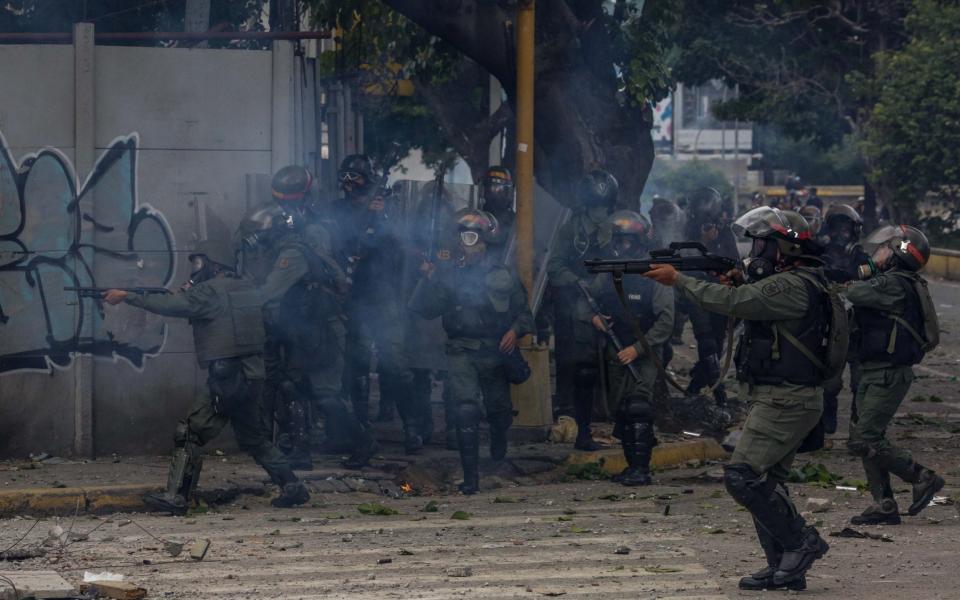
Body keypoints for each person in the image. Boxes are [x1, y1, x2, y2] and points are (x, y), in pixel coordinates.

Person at [644, 207, 832, 591]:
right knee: (765, 483)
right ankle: (784, 565)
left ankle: (800, 542)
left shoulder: (793, 285)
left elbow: (732, 303)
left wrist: (678, 280)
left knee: (741, 477)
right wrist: (741, 279)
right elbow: (751, 297)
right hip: (784, 398)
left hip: (786, 401)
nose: (756, 251)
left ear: (783, 249)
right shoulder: (797, 280)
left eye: (761, 244)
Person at [103, 239, 309, 514]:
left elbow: (172, 306)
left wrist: (128, 296)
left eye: (198, 263)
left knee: (189, 433)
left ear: (213, 264)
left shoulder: (209, 292)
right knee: (254, 439)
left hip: (228, 379)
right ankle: (292, 486)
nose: (195, 268)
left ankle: (176, 497)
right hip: (253, 376)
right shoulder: (245, 287)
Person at [250, 166, 379, 470]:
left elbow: (274, 287)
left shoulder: (311, 234)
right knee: (294, 386)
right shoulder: (300, 231)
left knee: (326, 394)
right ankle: (300, 449)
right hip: (302, 324)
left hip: (322, 324)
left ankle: (364, 443)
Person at [409, 210, 534, 494]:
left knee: (499, 411)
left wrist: (514, 331)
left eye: (471, 238)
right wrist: (427, 279)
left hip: (493, 351)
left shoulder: (503, 276)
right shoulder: (450, 275)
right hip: (460, 349)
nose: (465, 245)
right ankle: (471, 477)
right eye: (462, 238)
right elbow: (423, 309)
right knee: (465, 409)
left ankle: (499, 435)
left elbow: (525, 315)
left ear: (485, 242)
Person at [845, 224, 944, 525]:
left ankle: (921, 476)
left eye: (883, 248)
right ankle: (884, 503)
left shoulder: (895, 284)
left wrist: (859, 271)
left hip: (886, 375)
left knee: (864, 438)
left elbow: (853, 292)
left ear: (899, 253)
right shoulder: (897, 281)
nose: (877, 253)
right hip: (874, 370)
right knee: (866, 437)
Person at [332, 155, 422, 451]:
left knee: (395, 365)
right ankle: (359, 431)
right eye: (346, 178)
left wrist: (382, 219)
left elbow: (403, 247)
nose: (350, 184)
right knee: (355, 366)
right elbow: (334, 245)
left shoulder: (389, 210)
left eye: (356, 178)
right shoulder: (337, 212)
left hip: (383, 296)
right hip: (351, 296)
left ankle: (412, 427)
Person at [579, 210, 674, 482]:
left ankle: (641, 469)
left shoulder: (654, 275)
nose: (624, 247)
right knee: (622, 410)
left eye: (629, 242)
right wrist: (593, 318)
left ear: (640, 240)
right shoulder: (609, 272)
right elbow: (587, 299)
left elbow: (666, 322)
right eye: (619, 242)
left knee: (638, 406)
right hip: (615, 349)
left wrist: (638, 349)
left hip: (644, 353)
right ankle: (631, 465)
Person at [546, 169, 618, 422]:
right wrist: (577, 282)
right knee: (571, 360)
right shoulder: (570, 230)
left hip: (610, 302)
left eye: (605, 206)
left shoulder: (618, 228)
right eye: (595, 206)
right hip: (573, 305)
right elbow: (554, 267)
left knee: (609, 358)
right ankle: (567, 409)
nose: (601, 212)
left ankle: (603, 407)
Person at [680, 188, 739, 406]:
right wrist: (703, 241)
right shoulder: (688, 232)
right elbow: (686, 264)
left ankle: (695, 386)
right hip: (696, 294)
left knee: (717, 344)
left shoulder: (724, 233)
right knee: (706, 344)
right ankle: (720, 396)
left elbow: (733, 262)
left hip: (720, 295)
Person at [819, 204, 871, 432]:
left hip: (859, 330)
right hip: (832, 331)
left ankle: (857, 427)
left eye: (846, 228)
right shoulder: (819, 256)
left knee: (861, 384)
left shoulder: (862, 257)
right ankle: (827, 420)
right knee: (829, 384)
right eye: (836, 228)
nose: (841, 234)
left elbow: (874, 282)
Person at [479, 166, 516, 264]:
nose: (495, 192)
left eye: (499, 189)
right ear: (484, 190)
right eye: (491, 187)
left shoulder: (516, 222)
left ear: (509, 192)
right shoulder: (476, 216)